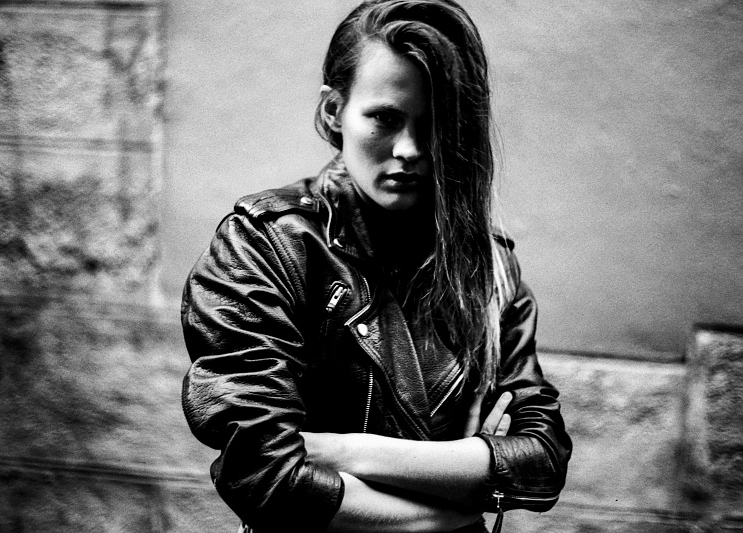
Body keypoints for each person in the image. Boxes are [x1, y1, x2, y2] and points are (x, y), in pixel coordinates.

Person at [181, 1, 572, 531]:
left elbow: (541, 461)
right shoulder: (265, 245)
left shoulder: (489, 269)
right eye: (385, 118)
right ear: (332, 112)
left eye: (433, 124)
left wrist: (348, 452)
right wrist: (450, 507)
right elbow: (266, 476)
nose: (409, 149)